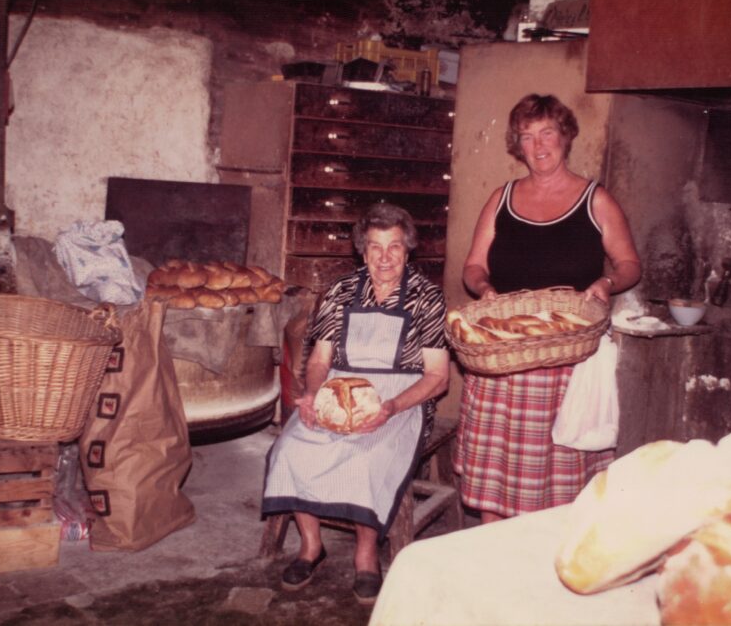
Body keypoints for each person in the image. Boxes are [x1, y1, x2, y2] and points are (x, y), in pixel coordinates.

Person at [454, 93, 641, 524]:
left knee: (555, 478)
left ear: (566, 136)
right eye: (526, 136)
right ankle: (492, 548)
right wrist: (484, 289)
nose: (538, 146)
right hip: (504, 354)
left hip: (566, 359)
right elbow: (474, 266)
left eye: (547, 133)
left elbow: (630, 264)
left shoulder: (596, 200)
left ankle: (547, 552)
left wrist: (607, 283)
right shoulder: (501, 198)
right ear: (517, 145)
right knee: (494, 471)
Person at [262, 202, 450, 606]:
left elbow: (438, 377)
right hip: (337, 388)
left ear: (407, 251)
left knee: (368, 455)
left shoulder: (427, 298)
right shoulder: (341, 291)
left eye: (394, 247)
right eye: (375, 247)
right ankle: (311, 545)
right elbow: (319, 360)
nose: (385, 258)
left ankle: (366, 554)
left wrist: (391, 407)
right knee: (291, 447)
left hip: (402, 397)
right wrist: (314, 394)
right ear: (363, 252)